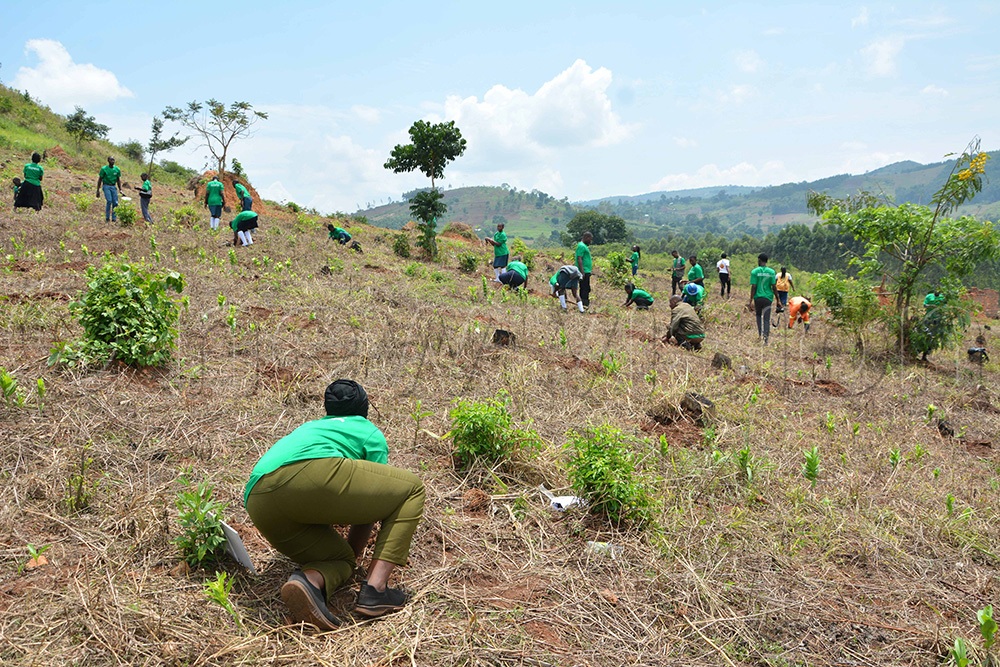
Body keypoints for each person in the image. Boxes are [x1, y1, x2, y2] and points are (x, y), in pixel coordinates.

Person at [244, 379, 425, 628]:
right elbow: (371, 507)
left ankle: (308, 582)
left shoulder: (311, 427)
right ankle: (377, 589)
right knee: (412, 490)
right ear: (364, 407)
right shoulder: (368, 430)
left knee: (338, 560)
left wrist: (349, 558)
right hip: (312, 475)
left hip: (259, 499)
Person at [749, 253, 777, 343]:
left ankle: (760, 334)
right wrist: (778, 300)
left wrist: (750, 300)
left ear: (759, 260)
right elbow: (774, 286)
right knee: (766, 318)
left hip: (758, 298)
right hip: (768, 298)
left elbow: (753, 286)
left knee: (758, 316)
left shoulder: (755, 271)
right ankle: (766, 339)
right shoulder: (772, 272)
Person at [96, 156, 122, 222]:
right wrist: (98, 190)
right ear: (108, 161)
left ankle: (114, 218)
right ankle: (107, 217)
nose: (112, 161)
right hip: (106, 186)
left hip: (113, 186)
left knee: (115, 203)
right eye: (111, 160)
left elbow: (118, 180)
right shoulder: (104, 169)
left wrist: (120, 189)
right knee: (109, 200)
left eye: (113, 160)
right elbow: (100, 179)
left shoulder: (117, 169)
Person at [576, 232, 593, 309]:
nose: (590, 241)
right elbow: (579, 258)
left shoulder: (584, 246)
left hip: (586, 271)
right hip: (584, 271)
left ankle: (584, 304)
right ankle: (583, 305)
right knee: (584, 288)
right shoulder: (581, 246)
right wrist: (582, 272)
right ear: (586, 237)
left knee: (586, 288)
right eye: (590, 239)